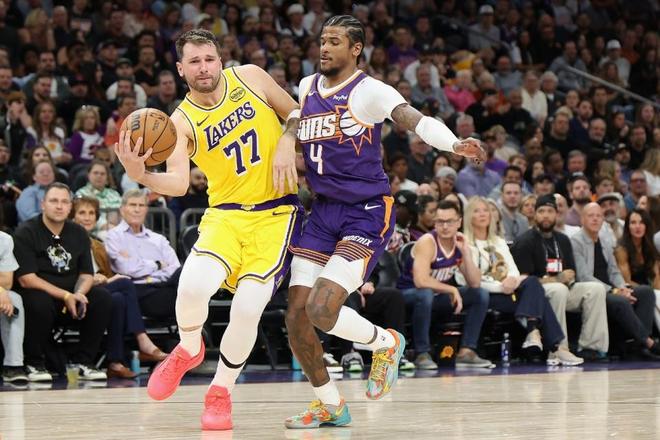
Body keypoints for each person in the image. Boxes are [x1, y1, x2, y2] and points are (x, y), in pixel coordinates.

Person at [285, 15, 484, 429]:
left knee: (322, 308)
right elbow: (294, 118)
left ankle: (386, 342)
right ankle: (330, 405)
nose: (324, 48)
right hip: (322, 211)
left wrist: (453, 144)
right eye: (322, 40)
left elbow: (414, 120)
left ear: (355, 48)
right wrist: (288, 135)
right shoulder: (306, 86)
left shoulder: (370, 91)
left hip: (365, 212)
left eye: (334, 41)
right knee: (296, 318)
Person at [113, 29, 302, 431]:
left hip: (276, 215)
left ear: (220, 60)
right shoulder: (179, 122)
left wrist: (288, 140)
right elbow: (179, 184)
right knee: (192, 286)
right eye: (194, 62)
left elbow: (298, 113)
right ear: (181, 69)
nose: (204, 68)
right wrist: (141, 174)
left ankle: (220, 391)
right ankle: (188, 347)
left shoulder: (250, 77)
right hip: (225, 215)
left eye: (209, 59)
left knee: (247, 308)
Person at [13, 182, 111, 381]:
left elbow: (86, 274)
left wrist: (79, 294)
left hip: (71, 297)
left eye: (64, 202)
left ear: (70, 207)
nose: (59, 206)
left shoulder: (79, 232)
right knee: (38, 302)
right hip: (40, 294)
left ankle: (84, 362)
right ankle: (34, 363)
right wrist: (66, 295)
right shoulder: (26, 231)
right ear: (43, 204)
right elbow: (27, 279)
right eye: (54, 201)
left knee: (102, 298)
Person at [457, 197, 565, 359]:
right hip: (485, 296)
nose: (483, 214)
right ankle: (554, 346)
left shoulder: (498, 242)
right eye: (477, 211)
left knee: (531, 282)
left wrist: (512, 281)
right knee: (537, 297)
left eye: (486, 210)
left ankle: (535, 334)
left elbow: (513, 270)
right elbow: (464, 280)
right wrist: (501, 287)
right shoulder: (464, 243)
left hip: (508, 292)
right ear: (468, 216)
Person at [71, 196, 167, 379]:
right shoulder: (69, 242)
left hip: (100, 294)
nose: (87, 217)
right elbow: (66, 274)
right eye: (82, 213)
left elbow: (106, 274)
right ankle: (142, 340)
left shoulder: (97, 245)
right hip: (76, 293)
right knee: (124, 283)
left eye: (91, 213)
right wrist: (96, 280)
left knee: (118, 299)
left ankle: (115, 362)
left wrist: (105, 280)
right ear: (73, 217)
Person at [397, 200, 493, 369]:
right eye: (440, 222)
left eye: (450, 221)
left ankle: (466, 351)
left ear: (459, 222)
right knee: (425, 293)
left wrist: (466, 254)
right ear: (435, 223)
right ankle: (422, 353)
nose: (445, 226)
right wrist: (451, 289)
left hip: (436, 297)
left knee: (480, 294)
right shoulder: (427, 242)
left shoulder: (459, 243)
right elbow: (421, 281)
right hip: (408, 294)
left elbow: (475, 282)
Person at [512, 195, 606, 363]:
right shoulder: (525, 241)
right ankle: (557, 349)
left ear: (557, 214)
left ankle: (591, 347)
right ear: (535, 215)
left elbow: (571, 272)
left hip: (563, 288)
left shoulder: (562, 240)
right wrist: (557, 279)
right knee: (558, 289)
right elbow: (524, 282)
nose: (546, 215)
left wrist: (568, 278)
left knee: (595, 289)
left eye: (550, 211)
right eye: (541, 211)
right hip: (537, 296)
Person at [571, 203, 660, 360]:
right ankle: (648, 342)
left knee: (646, 292)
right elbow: (584, 276)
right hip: (593, 291)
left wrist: (623, 287)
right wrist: (614, 291)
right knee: (621, 301)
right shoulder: (576, 242)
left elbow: (614, 272)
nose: (595, 219)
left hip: (613, 289)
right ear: (582, 219)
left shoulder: (605, 241)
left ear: (603, 220)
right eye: (591, 216)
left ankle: (637, 346)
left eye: (598, 216)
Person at [105, 190, 181, 324]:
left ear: (146, 209)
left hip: (164, 286)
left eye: (141, 205)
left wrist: (140, 265)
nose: (137, 210)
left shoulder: (158, 239)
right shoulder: (113, 236)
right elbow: (126, 269)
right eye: (132, 205)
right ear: (122, 209)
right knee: (190, 302)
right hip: (138, 291)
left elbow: (175, 267)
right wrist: (158, 264)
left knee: (186, 272)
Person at [613, 209, 660, 332]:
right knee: (651, 294)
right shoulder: (622, 249)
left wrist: (655, 290)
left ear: (647, 225)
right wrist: (651, 292)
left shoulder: (650, 246)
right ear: (627, 227)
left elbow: (656, 277)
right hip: (630, 290)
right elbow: (626, 281)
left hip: (649, 289)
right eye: (633, 223)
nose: (637, 226)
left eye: (641, 222)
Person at [0, 231, 27, 382]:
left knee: (14, 299)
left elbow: (6, 281)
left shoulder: (4, 239)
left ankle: (13, 366)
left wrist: (1, 290)